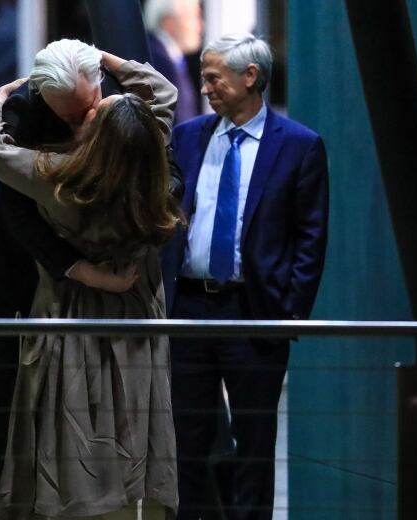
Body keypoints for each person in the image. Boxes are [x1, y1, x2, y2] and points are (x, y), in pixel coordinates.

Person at [0, 49, 183, 520]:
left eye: (94, 110)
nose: (88, 115)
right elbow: (164, 96)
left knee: (72, 415)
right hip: (133, 298)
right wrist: (113, 60)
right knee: (133, 410)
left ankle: (78, 503)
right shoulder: (145, 156)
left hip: (71, 307)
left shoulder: (53, 174)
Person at [162, 33, 329, 520]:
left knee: (254, 442)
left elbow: (310, 237)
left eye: (213, 77)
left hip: (255, 312)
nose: (205, 86)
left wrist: (288, 312)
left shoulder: (300, 146)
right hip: (188, 310)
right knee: (185, 440)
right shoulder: (187, 136)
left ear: (249, 77)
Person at [143, 0, 203, 123]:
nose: (201, 26)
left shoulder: (171, 59)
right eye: (195, 17)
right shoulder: (157, 61)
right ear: (169, 22)